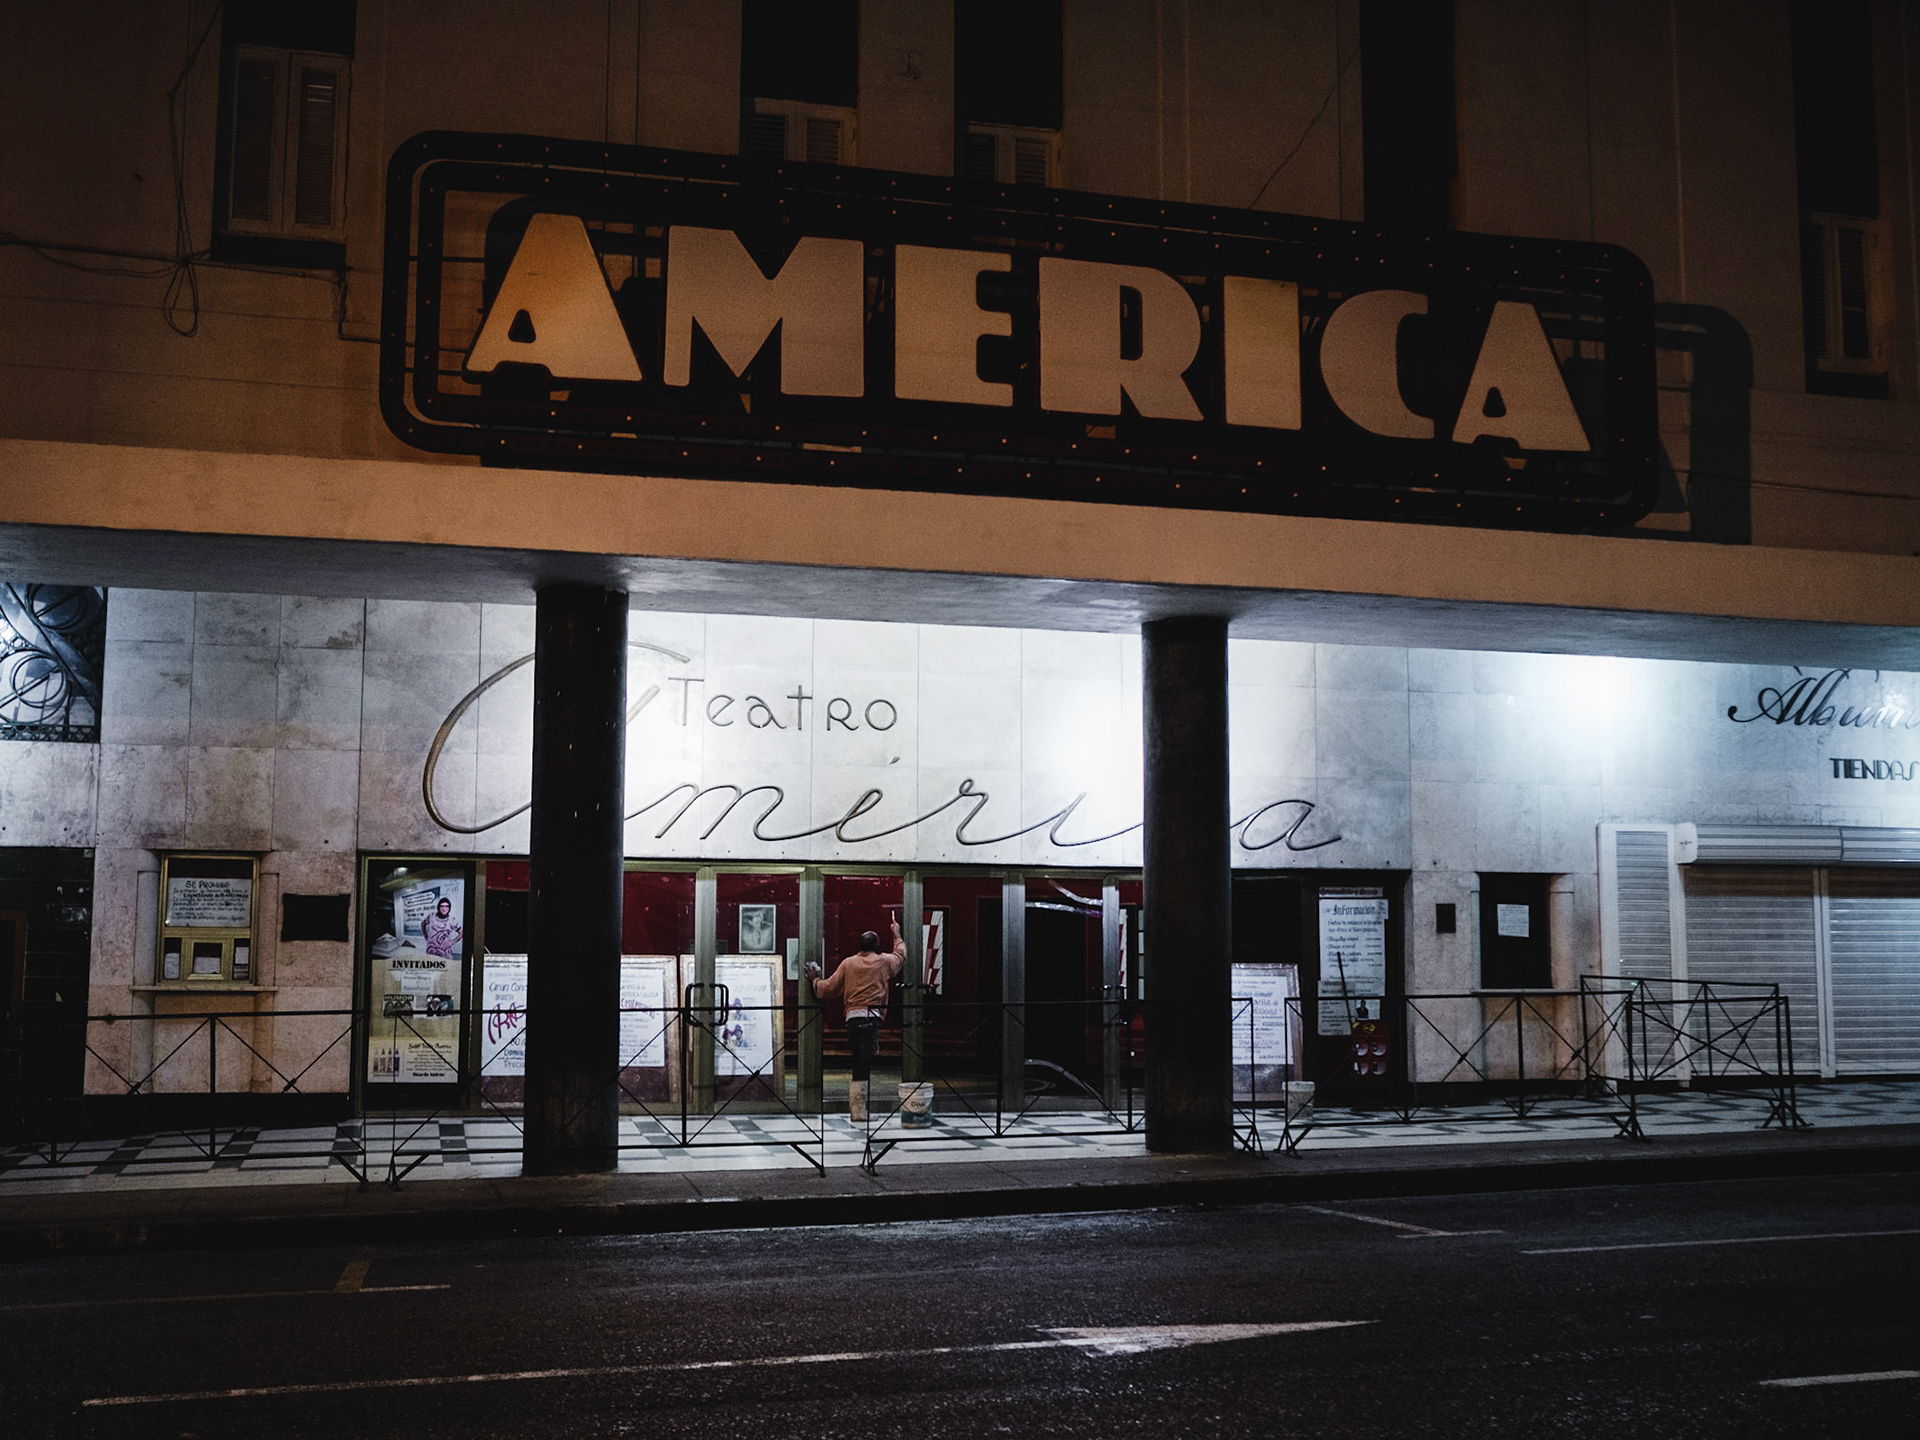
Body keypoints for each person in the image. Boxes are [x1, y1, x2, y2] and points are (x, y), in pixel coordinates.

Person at [805, 920, 905, 1123]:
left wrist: (814, 979)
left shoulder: (848, 963)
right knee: (863, 1064)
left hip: (852, 1019)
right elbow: (900, 955)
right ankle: (859, 1112)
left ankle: (858, 1110)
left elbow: (828, 988)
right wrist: (896, 934)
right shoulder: (883, 961)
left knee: (859, 1062)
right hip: (871, 1018)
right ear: (877, 946)